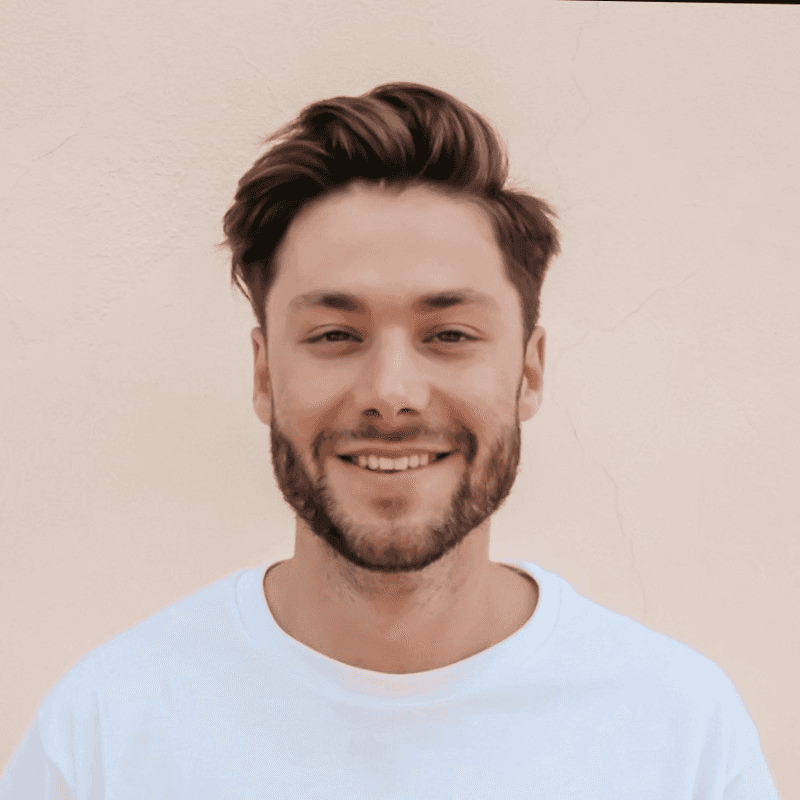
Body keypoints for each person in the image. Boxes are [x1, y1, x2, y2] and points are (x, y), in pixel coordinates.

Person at [1, 82, 780, 799]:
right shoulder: (106, 734)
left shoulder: (680, 735)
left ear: (529, 371)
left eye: (450, 334)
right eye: (336, 334)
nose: (390, 392)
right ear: (265, 374)